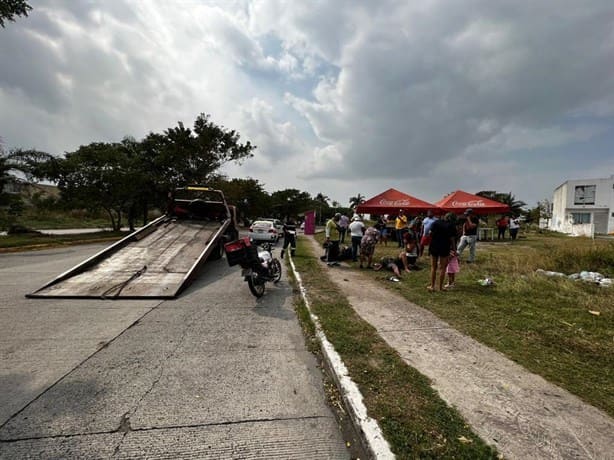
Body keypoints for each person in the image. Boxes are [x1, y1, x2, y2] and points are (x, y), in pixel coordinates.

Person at [427, 212, 457, 291]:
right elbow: (452, 239)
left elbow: (430, 233)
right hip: (445, 246)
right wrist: (454, 250)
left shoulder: (436, 222)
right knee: (442, 267)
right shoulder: (451, 226)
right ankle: (440, 287)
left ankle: (432, 286)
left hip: (434, 245)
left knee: (433, 267)